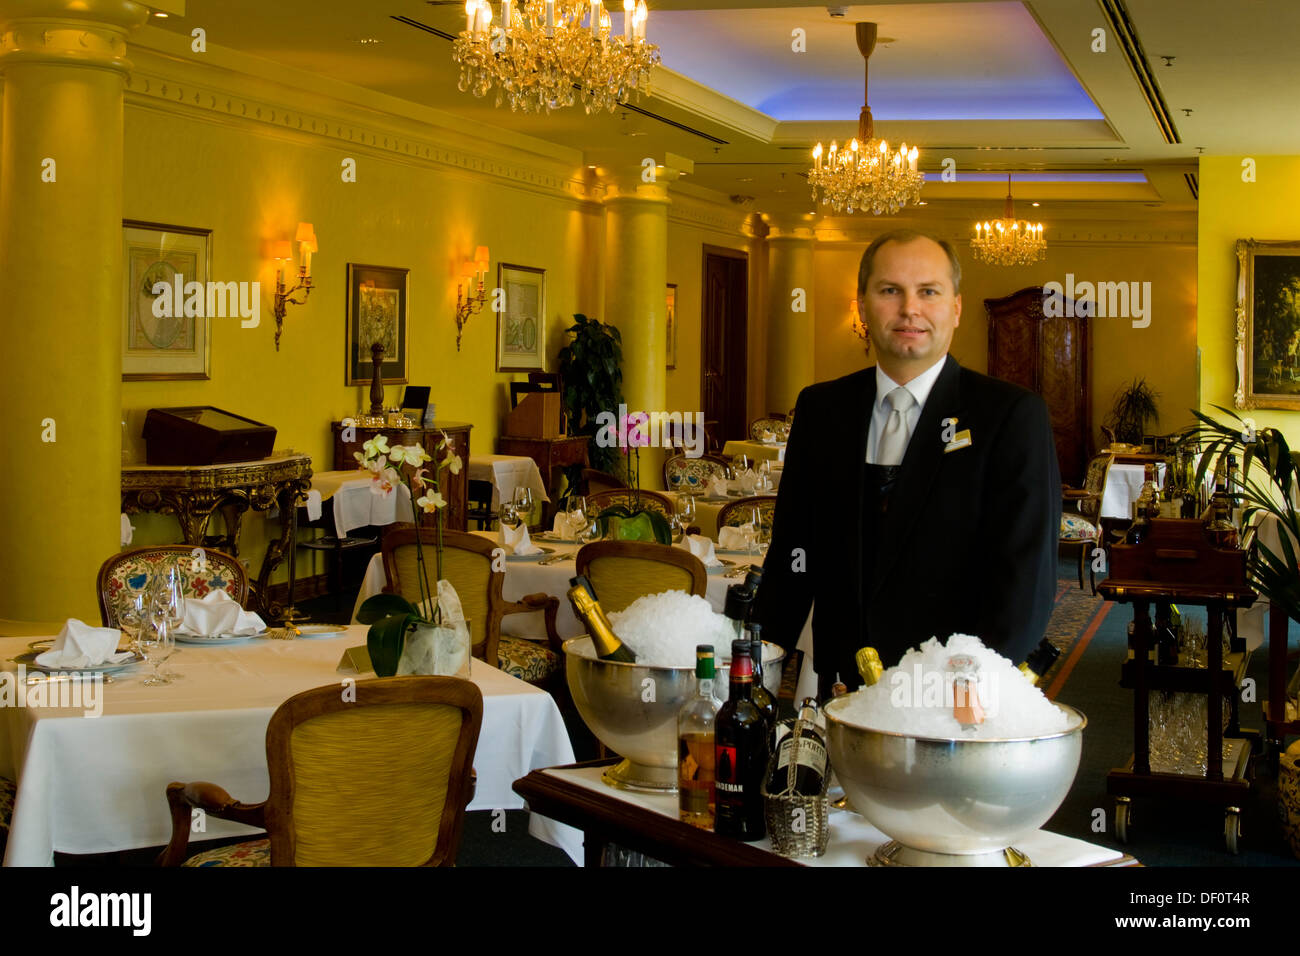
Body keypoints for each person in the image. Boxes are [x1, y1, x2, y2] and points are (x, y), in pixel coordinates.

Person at [755, 230, 1061, 697]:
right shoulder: (822, 408)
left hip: (952, 696)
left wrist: (965, 689)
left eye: (928, 292)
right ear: (862, 306)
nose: (909, 309)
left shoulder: (1009, 415)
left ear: (956, 308)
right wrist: (755, 668)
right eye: (889, 290)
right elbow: (791, 558)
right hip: (840, 690)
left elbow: (1025, 581)